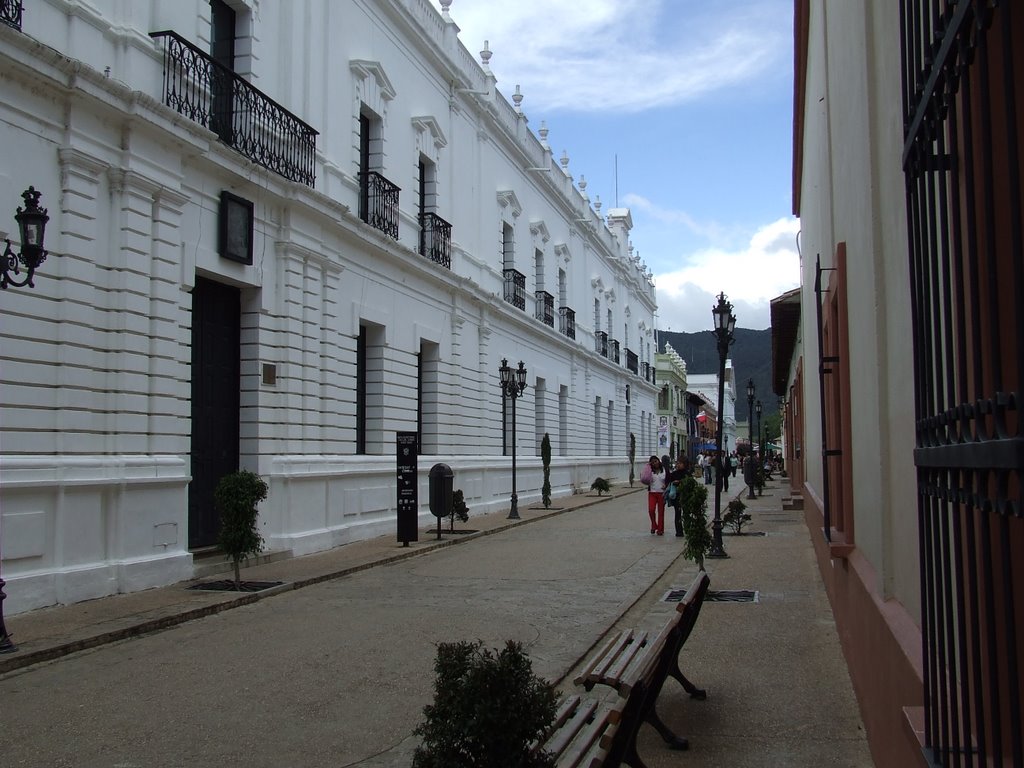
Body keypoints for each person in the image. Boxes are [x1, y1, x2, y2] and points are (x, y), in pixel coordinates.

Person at [639, 454, 667, 535]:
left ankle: (660, 529)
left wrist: (666, 485)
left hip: (662, 494)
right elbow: (644, 478)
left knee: (661, 512)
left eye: (655, 461)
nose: (655, 463)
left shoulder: (665, 470)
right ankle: (654, 525)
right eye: (652, 462)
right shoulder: (649, 471)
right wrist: (648, 467)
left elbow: (669, 480)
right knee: (651, 510)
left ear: (658, 460)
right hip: (652, 493)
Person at [665, 456, 690, 537]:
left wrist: (680, 482)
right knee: (677, 513)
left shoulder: (687, 473)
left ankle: (687, 529)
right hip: (676, 496)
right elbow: (669, 481)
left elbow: (689, 483)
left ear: (685, 464)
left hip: (686, 496)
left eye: (680, 463)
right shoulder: (674, 473)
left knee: (686, 513)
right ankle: (679, 531)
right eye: (677, 463)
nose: (678, 465)